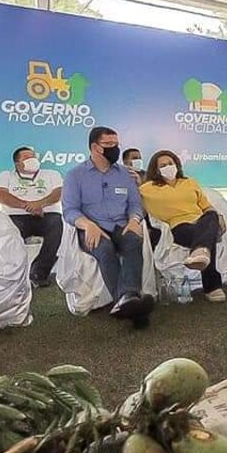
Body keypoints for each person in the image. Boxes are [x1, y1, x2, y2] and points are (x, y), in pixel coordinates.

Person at [62, 126, 153, 327]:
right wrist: (87, 225)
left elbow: (135, 204)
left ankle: (127, 298)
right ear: (95, 147)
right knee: (104, 249)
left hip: (122, 224)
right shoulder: (75, 176)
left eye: (116, 144)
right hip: (93, 228)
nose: (115, 149)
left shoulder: (124, 175)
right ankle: (131, 304)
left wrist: (134, 220)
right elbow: (69, 210)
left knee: (132, 242)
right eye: (109, 145)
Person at [139, 150, 227, 303]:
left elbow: (207, 207)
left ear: (177, 165)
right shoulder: (146, 189)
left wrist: (218, 216)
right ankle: (212, 285)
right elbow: (135, 206)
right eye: (163, 165)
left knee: (212, 216)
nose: (168, 167)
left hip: (202, 221)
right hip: (178, 228)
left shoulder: (190, 182)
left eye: (171, 163)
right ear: (155, 169)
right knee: (207, 236)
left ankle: (200, 252)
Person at [0, 147, 63, 288]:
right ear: (17, 164)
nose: (32, 160)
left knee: (57, 225)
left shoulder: (51, 174)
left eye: (33, 157)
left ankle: (39, 273)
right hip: (17, 216)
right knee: (9, 233)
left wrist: (40, 203)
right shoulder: (6, 176)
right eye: (26, 157)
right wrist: (28, 206)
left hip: (46, 215)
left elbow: (59, 192)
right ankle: (11, 275)